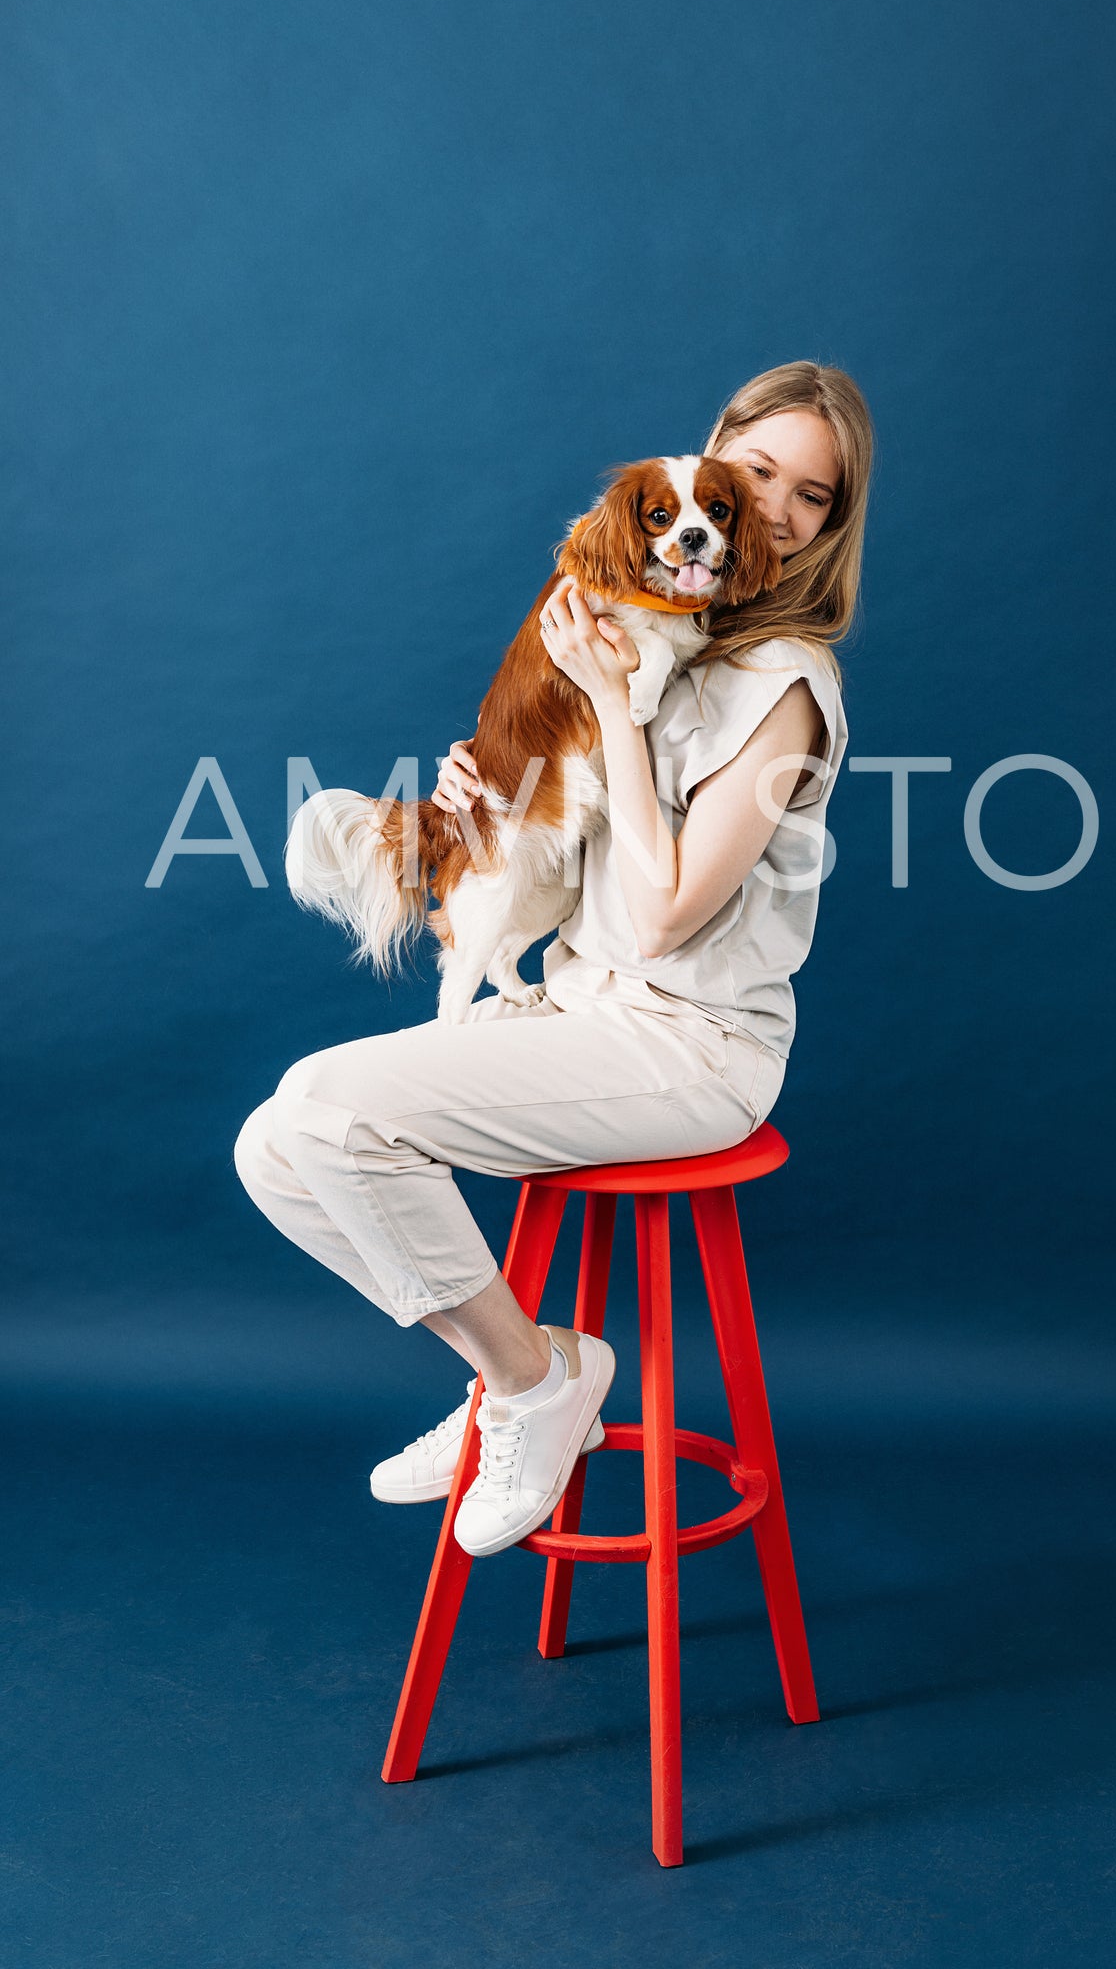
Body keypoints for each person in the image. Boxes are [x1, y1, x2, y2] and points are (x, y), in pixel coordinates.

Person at [234, 361, 872, 1560]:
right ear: (715, 455)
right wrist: (499, 789)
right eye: (761, 472)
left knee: (324, 1110)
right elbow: (580, 841)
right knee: (269, 1146)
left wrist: (609, 712)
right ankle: (528, 1371)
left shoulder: (783, 687)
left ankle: (525, 1394)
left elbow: (671, 908)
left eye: (811, 498)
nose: (775, 508)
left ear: (828, 528)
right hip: (577, 1004)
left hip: (691, 1046)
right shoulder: (659, 618)